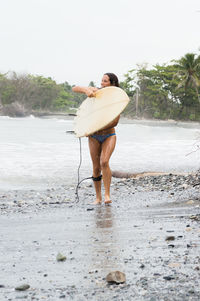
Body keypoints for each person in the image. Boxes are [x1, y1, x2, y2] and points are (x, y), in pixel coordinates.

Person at [72, 73, 120, 205]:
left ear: (112, 84)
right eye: (102, 81)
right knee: (96, 167)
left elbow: (114, 122)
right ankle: (98, 197)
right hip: (93, 136)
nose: (102, 83)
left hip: (109, 135)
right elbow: (75, 88)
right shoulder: (96, 92)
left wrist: (95, 126)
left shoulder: (117, 99)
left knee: (104, 162)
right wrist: (87, 90)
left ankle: (107, 194)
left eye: (105, 81)